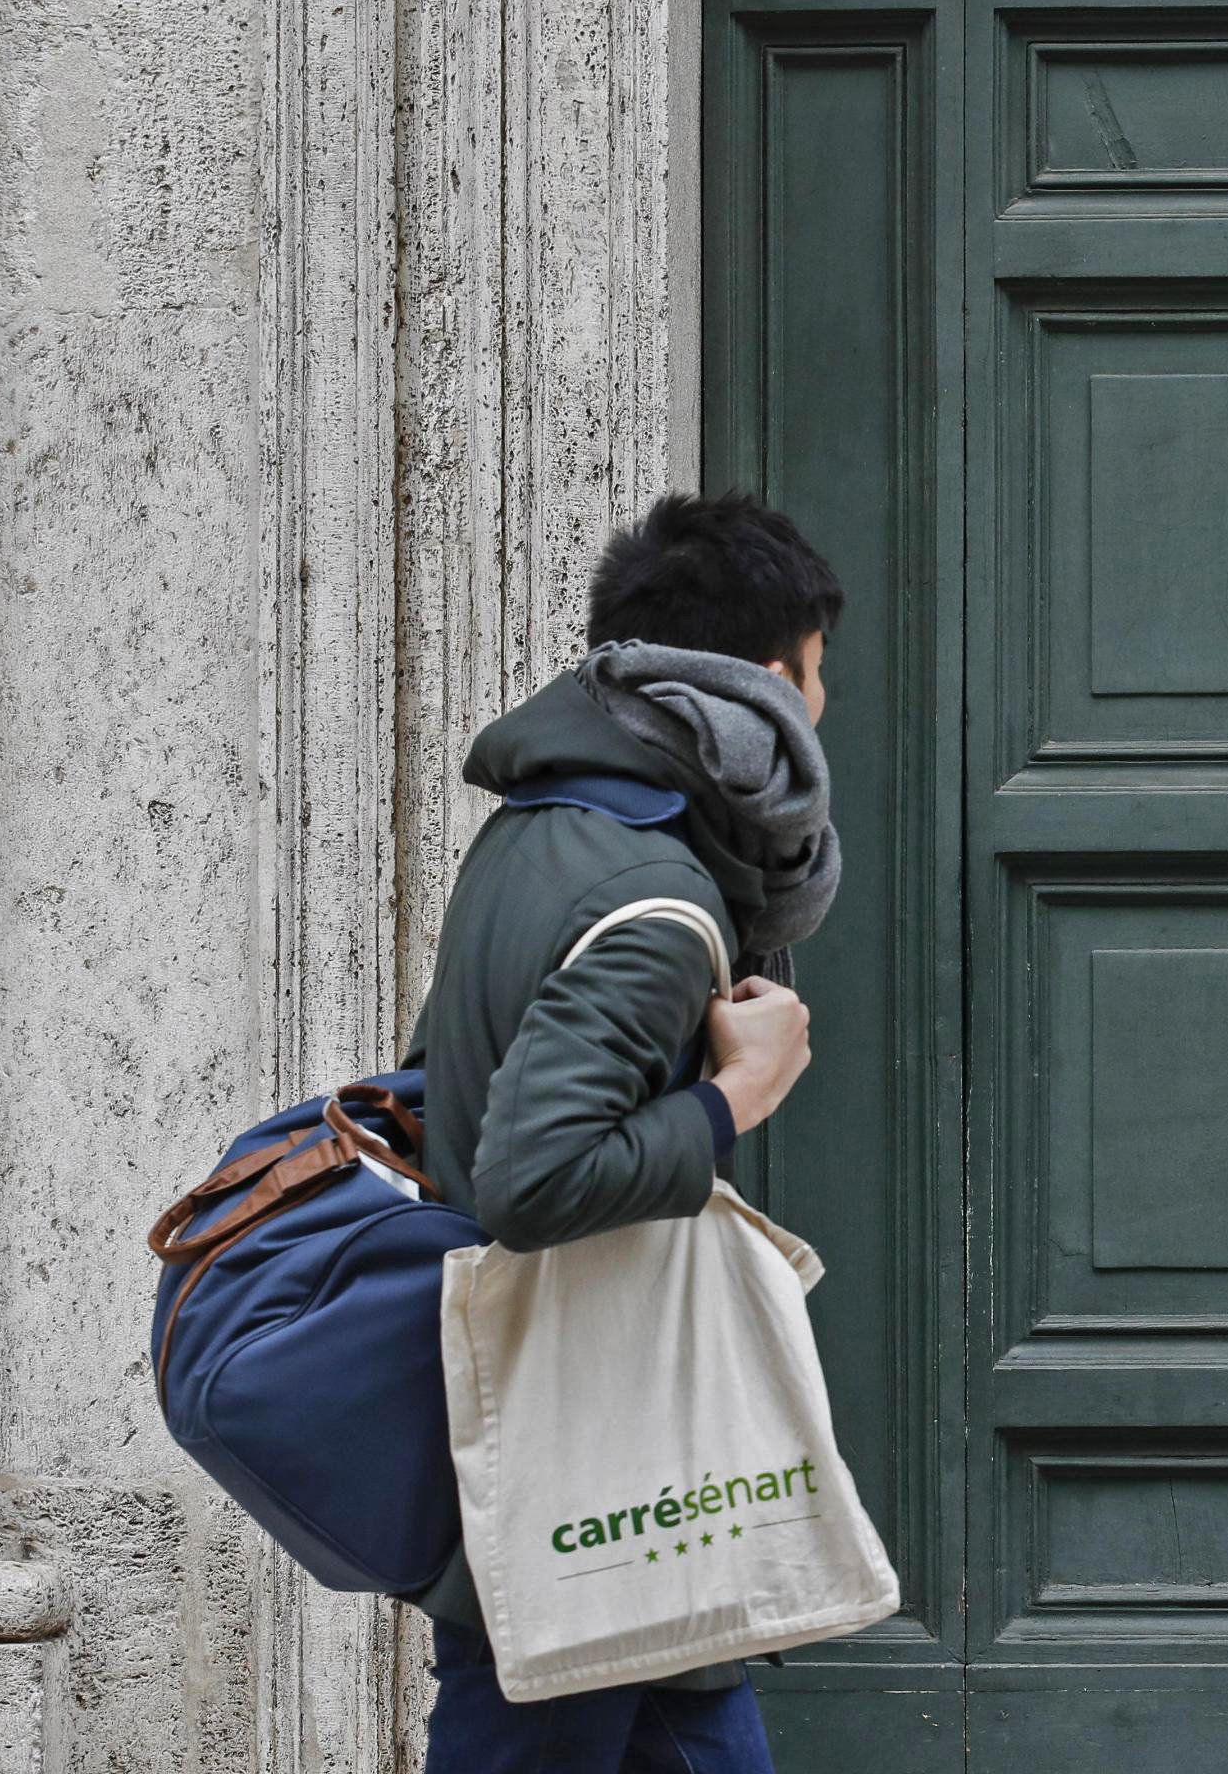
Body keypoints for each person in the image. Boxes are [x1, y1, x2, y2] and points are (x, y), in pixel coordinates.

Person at [407, 490, 846, 1774]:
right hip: (592, 1465)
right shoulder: (655, 898)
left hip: (617, 1466)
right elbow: (532, 1177)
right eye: (820, 678)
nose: (825, 711)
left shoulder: (541, 831)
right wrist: (735, 1096)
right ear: (772, 681)